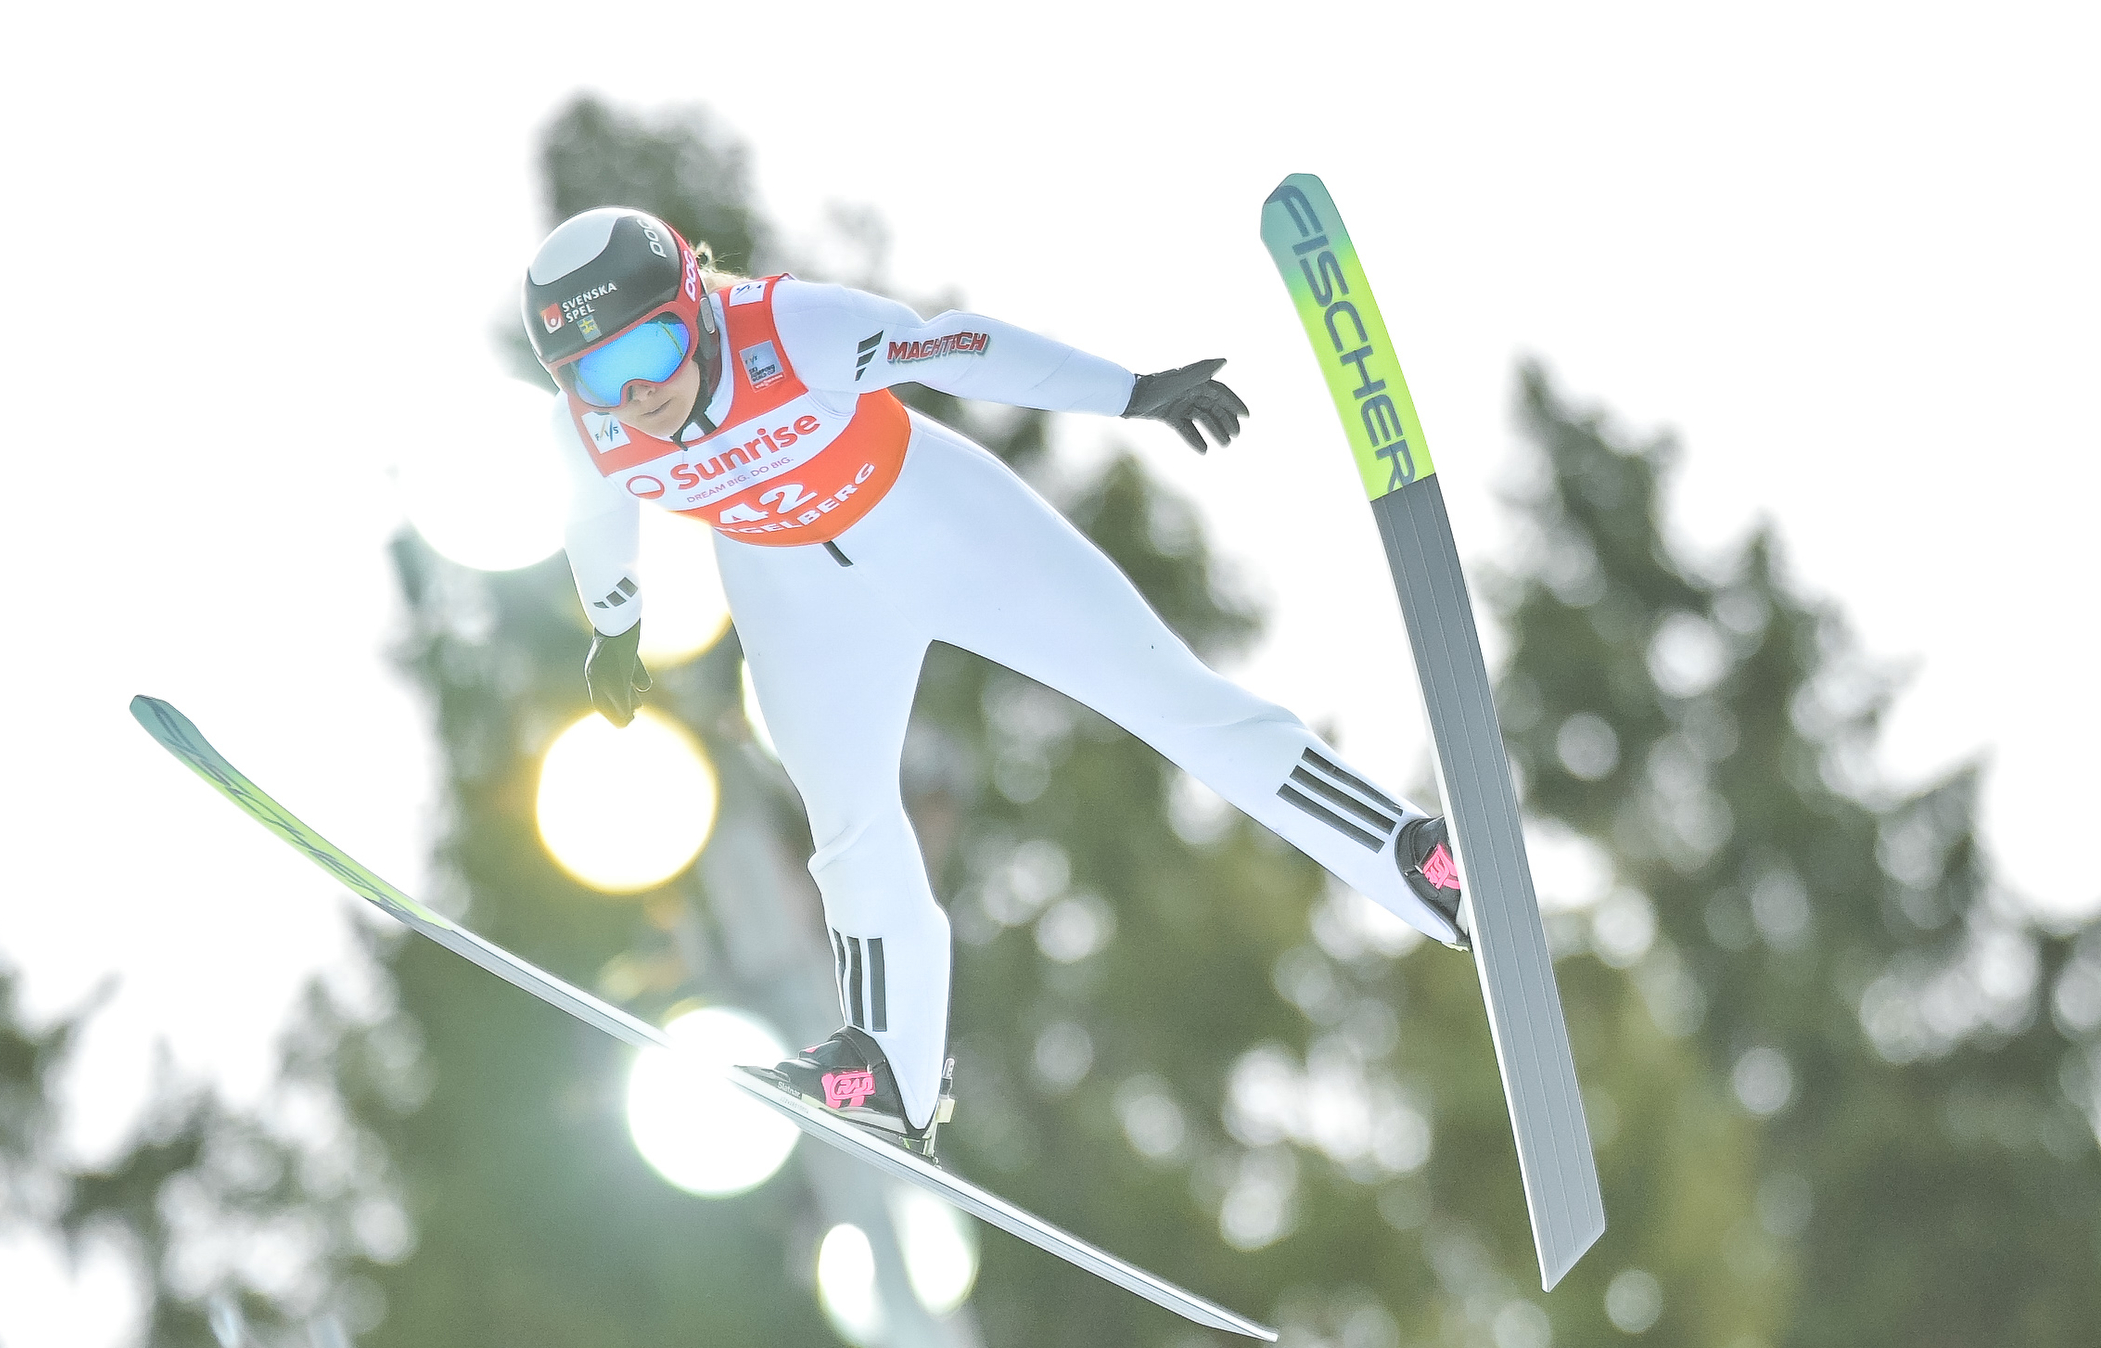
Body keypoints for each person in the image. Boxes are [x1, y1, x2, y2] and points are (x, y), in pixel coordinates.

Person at [524, 206, 1467, 1156]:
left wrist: (1132, 392)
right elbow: (593, 521)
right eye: (599, 372)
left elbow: (953, 351)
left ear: (696, 308)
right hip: (797, 597)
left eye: (652, 345)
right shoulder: (591, 432)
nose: (636, 390)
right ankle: (890, 1071)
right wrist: (615, 630)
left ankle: (1412, 860)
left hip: (939, 526)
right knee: (847, 825)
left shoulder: (791, 327)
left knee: (1172, 702)